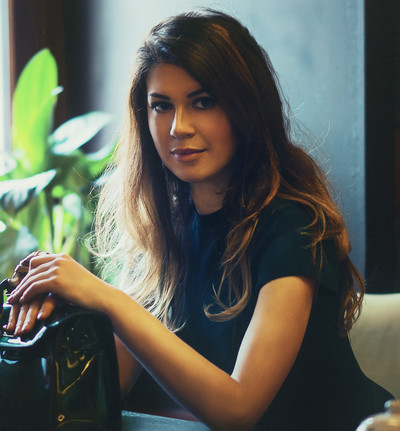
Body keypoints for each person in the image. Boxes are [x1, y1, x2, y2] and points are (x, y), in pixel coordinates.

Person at [5, 9, 393, 431]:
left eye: (203, 102)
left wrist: (108, 300)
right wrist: (57, 315)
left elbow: (238, 409)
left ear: (246, 107)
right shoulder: (167, 229)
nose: (179, 127)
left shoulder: (291, 226)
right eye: (161, 106)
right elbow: (107, 386)